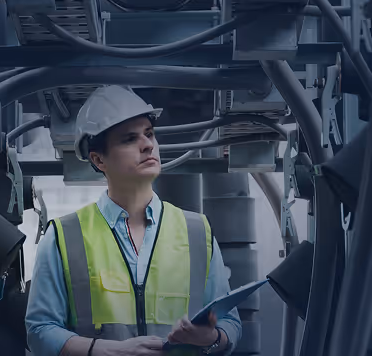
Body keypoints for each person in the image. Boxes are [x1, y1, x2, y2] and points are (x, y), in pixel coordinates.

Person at [26, 85, 242, 356]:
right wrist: (107, 351)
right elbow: (39, 330)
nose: (147, 144)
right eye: (130, 139)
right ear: (98, 159)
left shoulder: (198, 232)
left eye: (149, 134)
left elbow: (231, 325)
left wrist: (211, 337)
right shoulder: (63, 237)